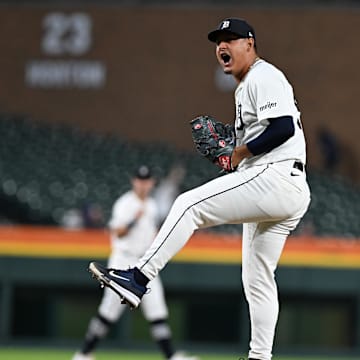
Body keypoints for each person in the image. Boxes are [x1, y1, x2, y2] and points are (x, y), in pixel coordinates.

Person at [89, 18, 311, 360]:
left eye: (232, 39)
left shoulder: (263, 75)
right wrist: (237, 150)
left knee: (189, 204)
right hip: (284, 186)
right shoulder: (246, 86)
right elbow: (263, 137)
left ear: (250, 44)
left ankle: (138, 277)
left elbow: (282, 129)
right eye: (219, 41)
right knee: (257, 279)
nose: (223, 46)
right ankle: (260, 357)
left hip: (275, 177)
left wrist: (237, 152)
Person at [73, 165, 199, 360]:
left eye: (146, 180)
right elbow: (117, 232)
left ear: (151, 183)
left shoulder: (152, 205)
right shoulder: (125, 203)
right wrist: (133, 220)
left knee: (157, 309)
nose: (143, 184)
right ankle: (84, 354)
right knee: (108, 312)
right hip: (123, 260)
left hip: (143, 263)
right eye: (140, 180)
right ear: (134, 181)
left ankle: (171, 356)